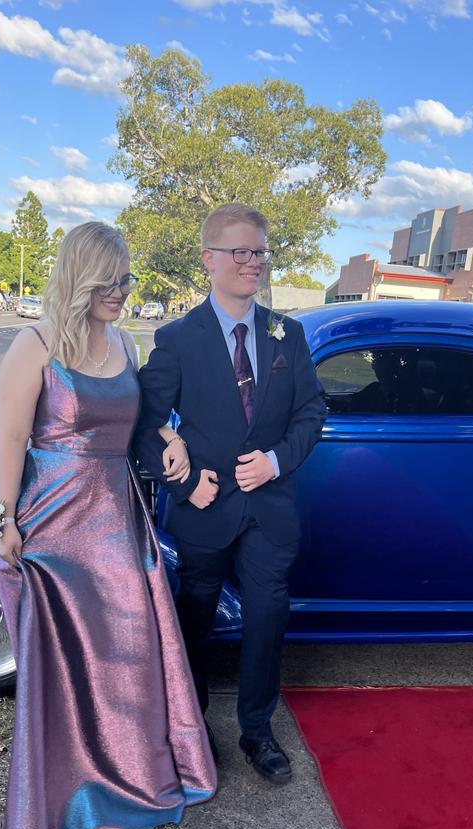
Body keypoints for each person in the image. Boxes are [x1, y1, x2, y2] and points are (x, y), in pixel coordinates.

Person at [0, 222, 216, 829]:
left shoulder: (124, 341)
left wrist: (170, 439)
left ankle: (134, 778)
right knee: (64, 659)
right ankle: (72, 792)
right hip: (54, 523)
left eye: (127, 280)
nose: (122, 292)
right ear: (81, 278)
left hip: (116, 516)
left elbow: (140, 419)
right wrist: (4, 519)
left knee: (129, 646)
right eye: (111, 282)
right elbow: (11, 441)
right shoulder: (32, 346)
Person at [133, 203, 326, 784]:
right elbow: (143, 425)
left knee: (268, 615)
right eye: (240, 251)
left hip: (268, 509)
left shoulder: (286, 333)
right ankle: (191, 731)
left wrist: (274, 461)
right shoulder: (177, 338)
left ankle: (257, 731)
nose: (253, 262)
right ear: (209, 259)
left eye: (260, 251)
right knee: (193, 618)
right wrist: (187, 483)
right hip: (204, 509)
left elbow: (312, 411)